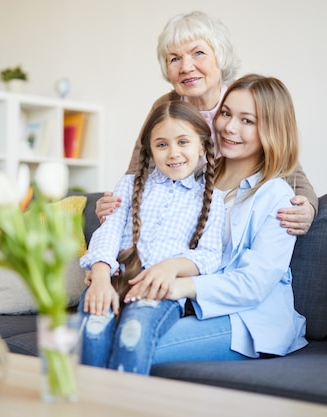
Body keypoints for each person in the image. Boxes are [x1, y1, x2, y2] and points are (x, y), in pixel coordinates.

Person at [126, 74, 308, 366]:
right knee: (85, 334)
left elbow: (253, 285)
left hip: (247, 320)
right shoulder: (194, 177)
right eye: (226, 113)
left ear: (272, 129)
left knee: (131, 341)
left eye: (247, 120)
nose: (229, 127)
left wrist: (178, 286)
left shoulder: (277, 197)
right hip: (183, 305)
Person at [96, 11, 317, 236]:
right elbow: (137, 173)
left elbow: (287, 167)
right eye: (174, 58)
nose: (186, 67)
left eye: (198, 53)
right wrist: (114, 205)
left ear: (220, 57)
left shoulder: (242, 103)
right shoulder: (165, 107)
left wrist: (307, 208)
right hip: (176, 225)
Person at [78, 100, 225, 374]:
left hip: (161, 293)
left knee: (133, 333)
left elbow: (210, 255)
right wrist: (99, 278)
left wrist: (170, 267)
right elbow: (107, 232)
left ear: (202, 147)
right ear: (150, 150)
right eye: (162, 145)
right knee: (94, 330)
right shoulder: (129, 184)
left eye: (183, 142)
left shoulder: (212, 199)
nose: (173, 153)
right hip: (113, 281)